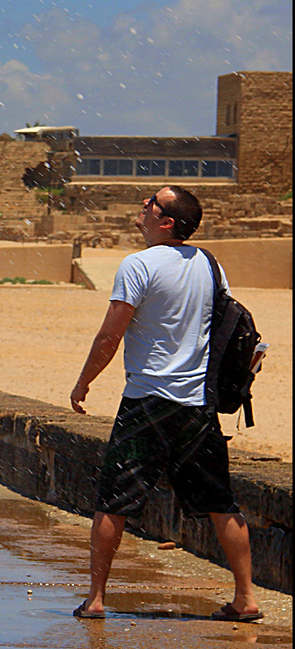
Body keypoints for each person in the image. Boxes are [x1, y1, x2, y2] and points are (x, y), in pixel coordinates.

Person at [69, 185, 261, 622]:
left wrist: (83, 383)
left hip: (148, 400)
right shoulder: (211, 265)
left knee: (113, 500)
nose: (143, 207)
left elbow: (109, 335)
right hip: (198, 404)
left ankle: (96, 598)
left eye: (150, 204)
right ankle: (245, 598)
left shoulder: (137, 265)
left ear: (166, 221)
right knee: (220, 501)